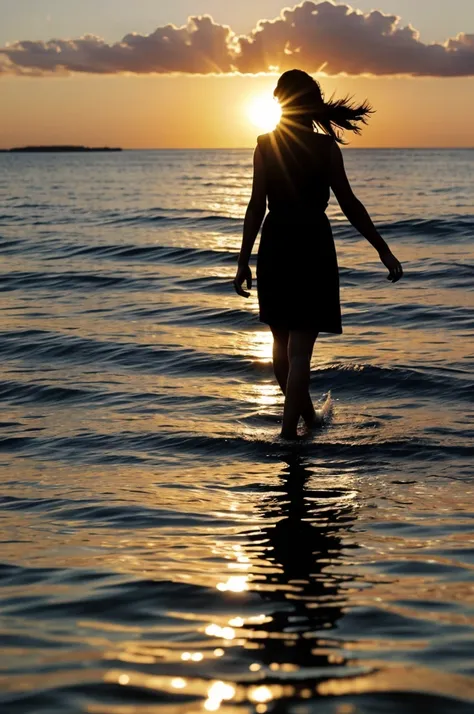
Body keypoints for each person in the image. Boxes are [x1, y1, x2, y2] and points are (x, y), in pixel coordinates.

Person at [233, 69, 403, 440]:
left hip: (277, 242)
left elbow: (255, 206)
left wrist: (244, 259)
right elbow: (350, 204)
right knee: (299, 354)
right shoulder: (325, 148)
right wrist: (383, 249)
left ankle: (299, 427)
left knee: (282, 350)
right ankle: (291, 433)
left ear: (280, 103)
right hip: (311, 243)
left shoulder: (265, 144)